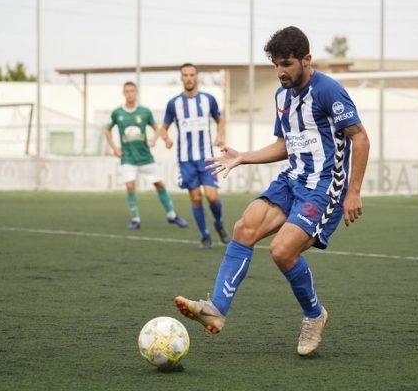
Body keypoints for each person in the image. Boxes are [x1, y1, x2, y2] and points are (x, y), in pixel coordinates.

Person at [173, 26, 370, 357]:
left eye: (287, 64)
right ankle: (216, 309)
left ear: (306, 60)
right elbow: (285, 144)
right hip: (292, 178)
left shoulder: (328, 91)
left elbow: (359, 137)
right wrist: (243, 158)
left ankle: (314, 315)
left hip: (324, 186)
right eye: (276, 64)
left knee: (281, 251)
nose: (281, 71)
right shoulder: (282, 96)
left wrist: (353, 191)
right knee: (244, 228)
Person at [159, 63, 230, 249]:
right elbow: (163, 127)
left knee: (212, 197)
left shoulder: (208, 100)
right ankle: (205, 236)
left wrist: (220, 135)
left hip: (206, 156)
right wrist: (166, 138)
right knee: (196, 198)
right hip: (185, 160)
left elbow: (220, 119)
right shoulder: (173, 103)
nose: (189, 78)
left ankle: (219, 224)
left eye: (192, 74)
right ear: (181, 78)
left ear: (196, 77)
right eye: (185, 75)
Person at [104, 81, 188, 230]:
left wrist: (158, 139)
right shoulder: (117, 113)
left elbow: (157, 128)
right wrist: (115, 148)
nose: (130, 94)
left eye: (132, 91)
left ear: (136, 93)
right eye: (127, 91)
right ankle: (135, 219)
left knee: (159, 184)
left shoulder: (145, 112)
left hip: (145, 157)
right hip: (128, 158)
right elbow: (107, 131)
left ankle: (172, 215)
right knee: (130, 187)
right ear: (123, 93)